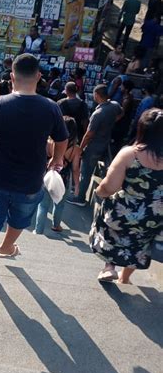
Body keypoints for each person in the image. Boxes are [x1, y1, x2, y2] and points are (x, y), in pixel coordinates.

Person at [0, 54, 68, 278]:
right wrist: (57, 158)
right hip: (30, 179)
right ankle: (7, 247)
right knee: (19, 218)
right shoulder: (51, 107)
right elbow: (62, 138)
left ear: (12, 77)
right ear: (38, 76)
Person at [90, 108, 163, 284]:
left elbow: (110, 186)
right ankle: (125, 277)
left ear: (142, 129)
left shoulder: (130, 153)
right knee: (139, 243)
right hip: (154, 216)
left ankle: (109, 267)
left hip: (124, 211)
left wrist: (98, 193)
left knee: (108, 223)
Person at [67, 84, 122, 206]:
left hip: (94, 146)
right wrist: (111, 122)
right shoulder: (114, 105)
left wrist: (80, 149)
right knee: (104, 168)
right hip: (106, 142)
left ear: (96, 95)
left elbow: (89, 134)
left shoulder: (98, 113)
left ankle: (80, 198)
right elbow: (121, 113)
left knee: (85, 173)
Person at [34, 116, 81, 234]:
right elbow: (75, 169)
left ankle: (38, 230)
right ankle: (56, 225)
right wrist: (77, 186)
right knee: (59, 204)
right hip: (63, 180)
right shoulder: (76, 149)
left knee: (43, 206)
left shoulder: (49, 142)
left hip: (47, 176)